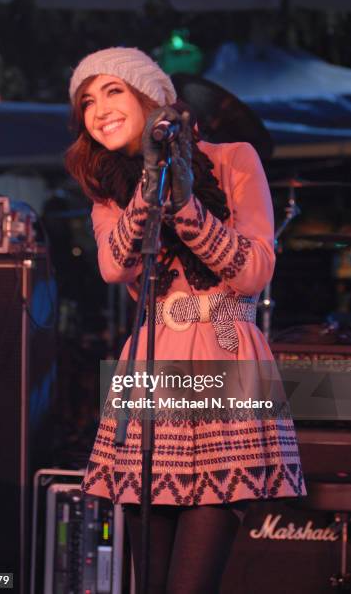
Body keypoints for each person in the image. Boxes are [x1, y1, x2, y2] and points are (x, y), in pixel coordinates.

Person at [65, 47, 306, 594]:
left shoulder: (233, 158)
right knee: (147, 580)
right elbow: (112, 265)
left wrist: (186, 205)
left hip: (225, 360)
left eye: (113, 91)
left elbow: (253, 271)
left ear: (151, 96)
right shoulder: (108, 188)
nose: (97, 108)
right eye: (86, 100)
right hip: (154, 371)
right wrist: (151, 190)